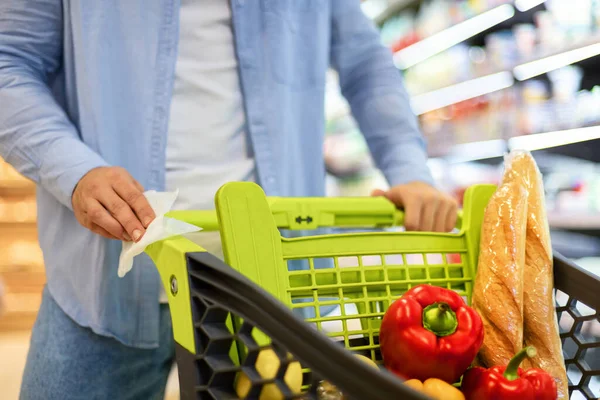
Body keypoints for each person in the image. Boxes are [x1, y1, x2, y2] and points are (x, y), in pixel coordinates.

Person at [0, 1, 457, 399]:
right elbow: (8, 61)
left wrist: (410, 170)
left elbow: (365, 64)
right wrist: (75, 172)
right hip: (102, 283)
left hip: (274, 294)